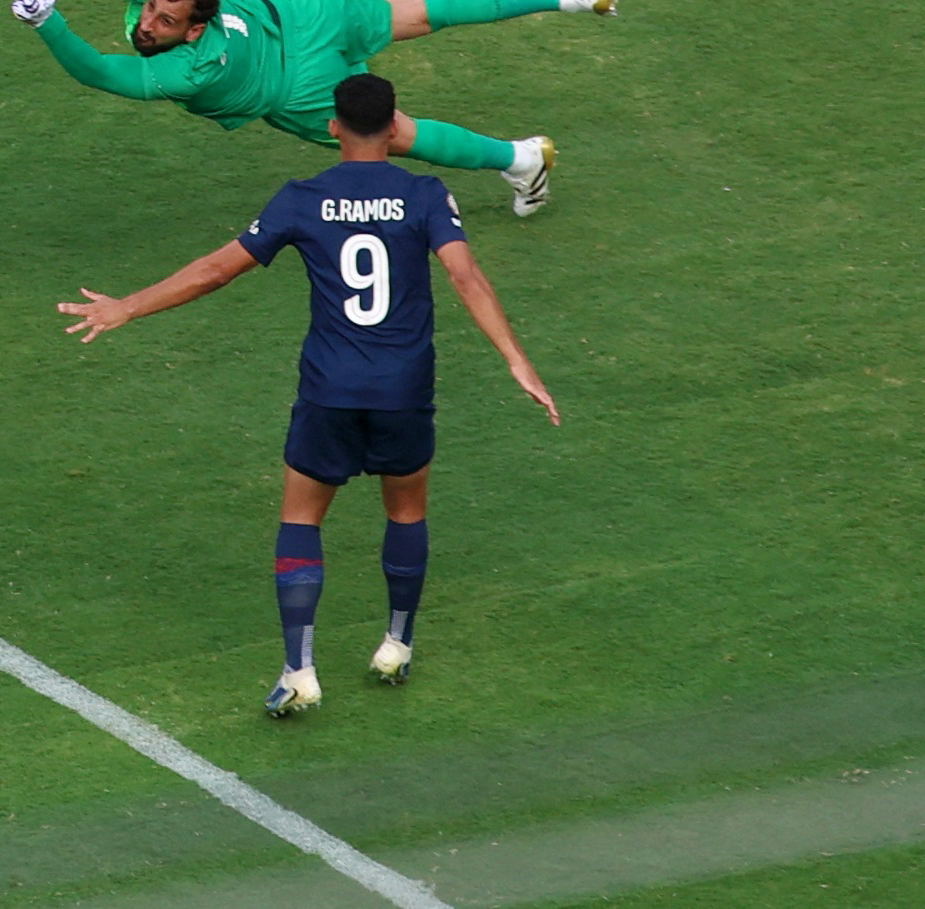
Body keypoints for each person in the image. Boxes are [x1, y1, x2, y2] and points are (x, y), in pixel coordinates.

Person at [57, 74, 561, 717]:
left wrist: (129, 306)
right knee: (405, 511)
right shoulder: (426, 193)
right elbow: (465, 276)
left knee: (302, 518)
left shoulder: (302, 199)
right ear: (395, 126)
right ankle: (396, 645)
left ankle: (299, 670)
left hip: (329, 388)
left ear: (333, 127)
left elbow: (218, 269)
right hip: (404, 387)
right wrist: (517, 360)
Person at [0, 0, 622, 217]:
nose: (151, 22)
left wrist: (48, 21)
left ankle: (518, 159)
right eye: (153, 9)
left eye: (165, 21)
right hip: (308, 12)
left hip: (300, 88)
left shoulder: (187, 69)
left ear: (194, 33)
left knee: (396, 137)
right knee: (429, 9)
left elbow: (101, 72)